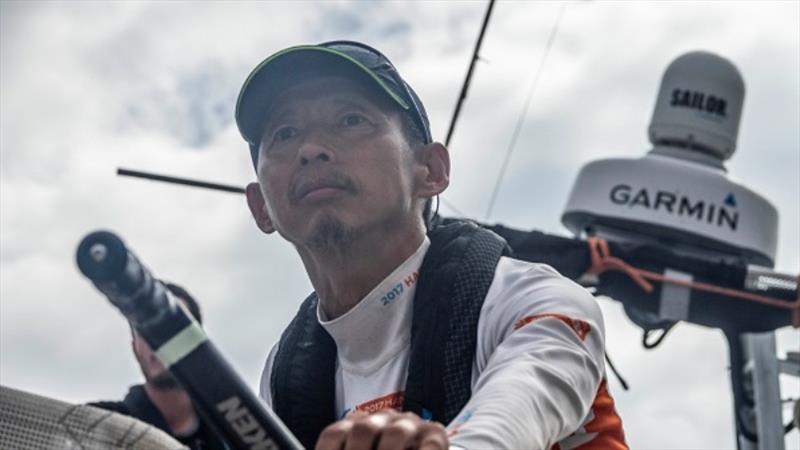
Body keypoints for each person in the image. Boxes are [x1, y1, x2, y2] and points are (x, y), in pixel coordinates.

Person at [238, 40, 627, 450]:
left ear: (431, 170)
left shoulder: (532, 303)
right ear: (261, 206)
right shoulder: (285, 377)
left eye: (351, 120)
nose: (311, 149)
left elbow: (508, 421)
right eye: (284, 133)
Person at [90, 282, 228, 450]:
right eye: (145, 328)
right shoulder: (93, 428)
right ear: (135, 348)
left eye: (172, 327)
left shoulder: (237, 434)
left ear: (199, 340)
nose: (159, 341)